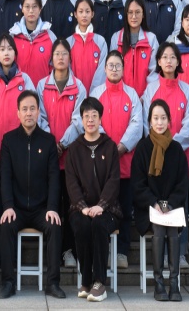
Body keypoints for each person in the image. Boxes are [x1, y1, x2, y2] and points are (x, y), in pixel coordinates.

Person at [0, 91, 65, 300]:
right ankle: (8, 282)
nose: (29, 113)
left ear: (38, 112)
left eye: (32, 109)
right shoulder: (9, 140)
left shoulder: (48, 141)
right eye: (24, 109)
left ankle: (52, 283)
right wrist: (8, 205)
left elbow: (54, 178)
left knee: (55, 225)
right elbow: (5, 176)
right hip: (16, 208)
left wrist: (52, 208)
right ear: (18, 113)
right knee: (5, 225)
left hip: (41, 208)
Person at [142, 42, 189, 270]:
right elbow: (147, 123)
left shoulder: (187, 90)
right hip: (155, 156)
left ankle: (180, 253)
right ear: (158, 61)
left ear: (178, 61)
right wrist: (159, 143)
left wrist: (171, 145)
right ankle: (161, 256)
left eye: (173, 57)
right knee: (159, 204)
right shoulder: (150, 90)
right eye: (164, 57)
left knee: (179, 203)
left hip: (179, 156)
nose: (168, 61)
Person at [89, 51, 142, 269]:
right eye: (110, 65)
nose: (114, 69)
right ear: (104, 68)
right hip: (101, 164)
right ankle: (102, 251)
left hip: (125, 163)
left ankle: (121, 251)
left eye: (118, 65)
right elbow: (92, 122)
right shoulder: (96, 93)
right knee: (102, 208)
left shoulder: (132, 94)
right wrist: (108, 148)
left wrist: (122, 147)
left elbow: (137, 124)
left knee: (125, 210)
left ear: (123, 68)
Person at [131, 100, 188, 302]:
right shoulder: (143, 148)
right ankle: (159, 283)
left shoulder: (176, 149)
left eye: (163, 118)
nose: (160, 122)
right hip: (149, 209)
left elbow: (182, 184)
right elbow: (137, 185)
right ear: (149, 121)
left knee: (171, 227)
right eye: (155, 118)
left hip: (172, 208)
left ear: (170, 120)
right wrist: (155, 203)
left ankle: (174, 283)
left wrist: (169, 204)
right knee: (159, 226)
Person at [66, 97, 121, 303]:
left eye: (94, 116)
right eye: (86, 116)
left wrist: (101, 206)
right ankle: (86, 280)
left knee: (98, 224)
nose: (90, 120)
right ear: (81, 120)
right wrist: (82, 207)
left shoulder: (110, 146)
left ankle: (99, 282)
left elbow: (114, 181)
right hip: (80, 208)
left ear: (100, 119)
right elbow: (71, 182)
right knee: (81, 225)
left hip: (108, 209)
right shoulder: (74, 149)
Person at [37, 39, 86, 269]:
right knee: (51, 204)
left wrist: (62, 144)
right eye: (57, 53)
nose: (60, 57)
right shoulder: (41, 85)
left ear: (70, 58)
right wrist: (51, 144)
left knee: (70, 205)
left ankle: (68, 250)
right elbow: (40, 116)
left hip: (71, 157)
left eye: (64, 53)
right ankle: (51, 251)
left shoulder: (79, 86)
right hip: (48, 157)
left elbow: (79, 120)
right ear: (51, 58)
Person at [0, 34, 37, 146]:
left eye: (10, 49)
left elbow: (35, 111)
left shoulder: (25, 79)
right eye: (2, 49)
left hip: (21, 144)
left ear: (15, 53)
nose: (6, 53)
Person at [109, 0, 159, 97]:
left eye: (137, 12)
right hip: (120, 97)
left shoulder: (151, 39)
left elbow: (154, 73)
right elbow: (112, 72)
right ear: (126, 14)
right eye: (130, 12)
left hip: (145, 99)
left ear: (143, 14)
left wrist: (144, 98)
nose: (134, 16)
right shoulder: (116, 38)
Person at [9, 0, 57, 85]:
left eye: (34, 6)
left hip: (43, 91)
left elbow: (55, 68)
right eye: (27, 6)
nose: (31, 10)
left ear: (40, 9)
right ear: (22, 9)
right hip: (19, 91)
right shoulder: (13, 36)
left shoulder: (50, 36)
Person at [67, 0, 107, 92]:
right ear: (75, 14)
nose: (84, 15)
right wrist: (77, 92)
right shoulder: (68, 42)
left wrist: (94, 93)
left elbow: (102, 72)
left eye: (87, 11)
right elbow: (67, 70)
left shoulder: (100, 41)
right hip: (75, 94)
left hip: (96, 95)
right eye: (81, 12)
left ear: (92, 14)